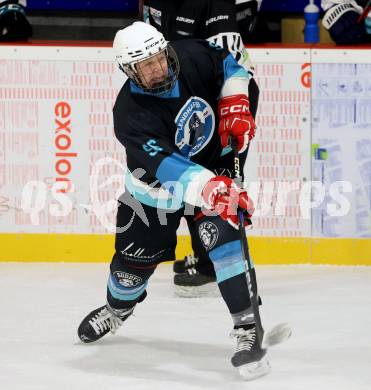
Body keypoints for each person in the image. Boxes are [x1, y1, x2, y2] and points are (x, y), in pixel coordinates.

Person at [77, 21, 270, 380]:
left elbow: (234, 64)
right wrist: (212, 187)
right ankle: (117, 310)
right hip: (154, 194)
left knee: (226, 241)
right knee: (127, 274)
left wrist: (235, 102)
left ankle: (247, 328)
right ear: (128, 70)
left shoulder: (192, 55)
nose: (157, 68)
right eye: (144, 65)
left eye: (158, 58)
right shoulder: (130, 113)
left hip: (213, 170)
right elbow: (169, 167)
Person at [141, 0, 261, 296]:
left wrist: (231, 111)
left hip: (228, 95)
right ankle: (208, 257)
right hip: (186, 94)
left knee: (218, 177)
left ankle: (223, 265)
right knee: (193, 177)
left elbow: (228, 63)